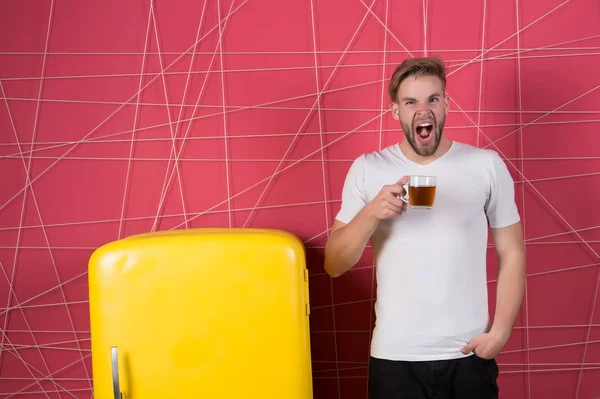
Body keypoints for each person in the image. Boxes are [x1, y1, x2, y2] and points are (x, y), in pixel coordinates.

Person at [323, 57, 526, 398]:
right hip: (395, 357)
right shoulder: (367, 169)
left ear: (446, 104)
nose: (423, 110)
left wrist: (500, 333)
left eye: (432, 99)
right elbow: (333, 263)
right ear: (395, 111)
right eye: (410, 102)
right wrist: (372, 212)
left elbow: (513, 251)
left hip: (468, 355)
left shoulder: (486, 165)